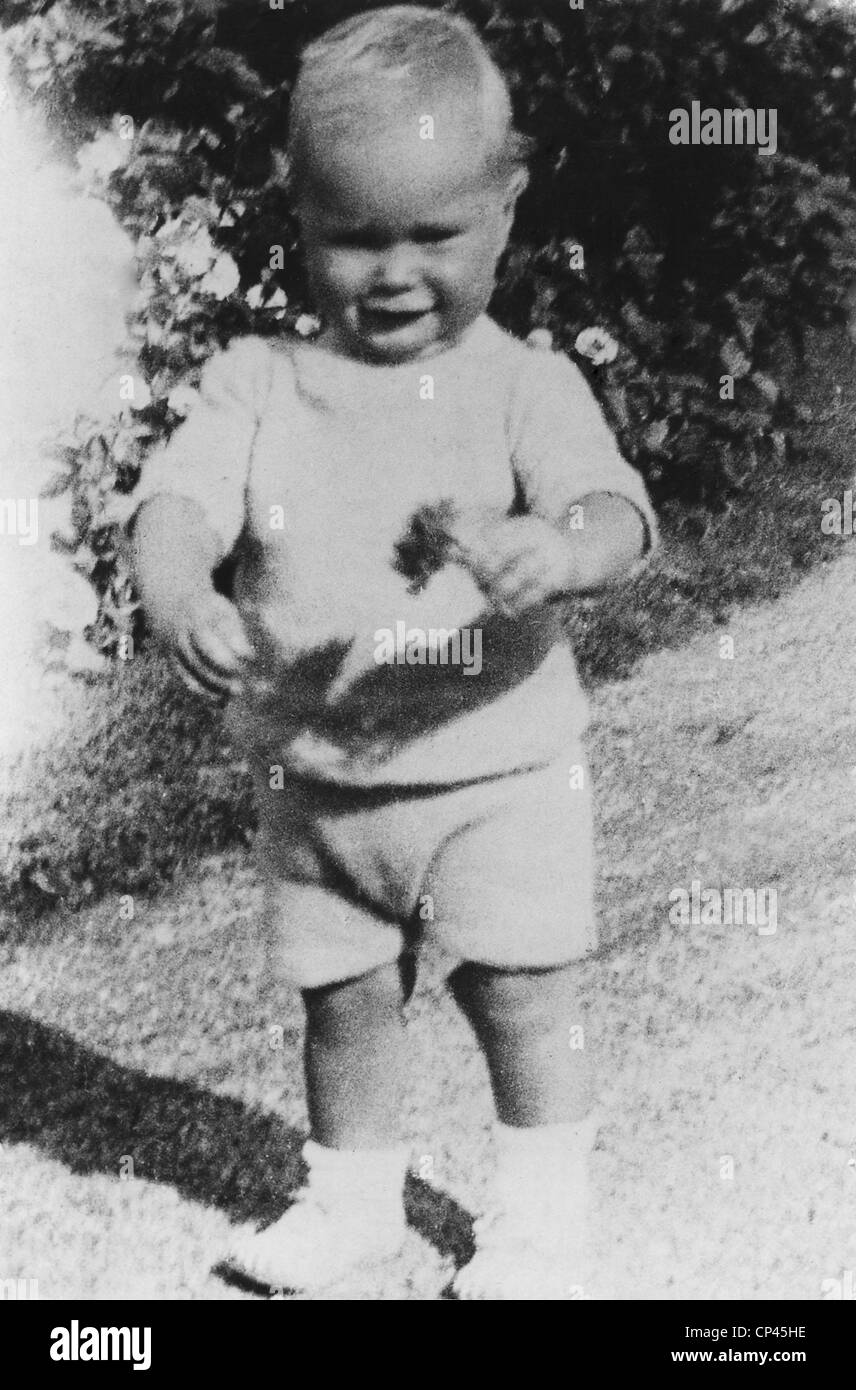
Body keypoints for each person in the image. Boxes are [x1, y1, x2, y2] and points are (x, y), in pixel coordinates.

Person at [129, 5, 657, 1299]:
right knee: (344, 1000)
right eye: (356, 236)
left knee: (521, 994)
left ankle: (545, 1223)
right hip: (319, 788)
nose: (396, 271)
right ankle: (352, 1207)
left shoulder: (523, 383)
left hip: (497, 773)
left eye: (435, 234)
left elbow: (616, 512)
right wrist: (177, 586)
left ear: (506, 209)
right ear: (299, 213)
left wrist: (561, 548)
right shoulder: (260, 379)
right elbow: (178, 499)